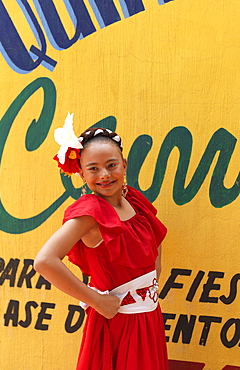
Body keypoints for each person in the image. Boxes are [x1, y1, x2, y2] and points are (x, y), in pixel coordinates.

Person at [34, 113, 168, 369]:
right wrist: (96, 301)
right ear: (82, 174)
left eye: (111, 165)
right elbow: (45, 261)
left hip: (148, 317)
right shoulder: (89, 214)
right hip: (116, 322)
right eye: (93, 168)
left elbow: (155, 237)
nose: (104, 174)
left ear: (124, 165)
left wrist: (150, 283)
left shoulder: (135, 201)